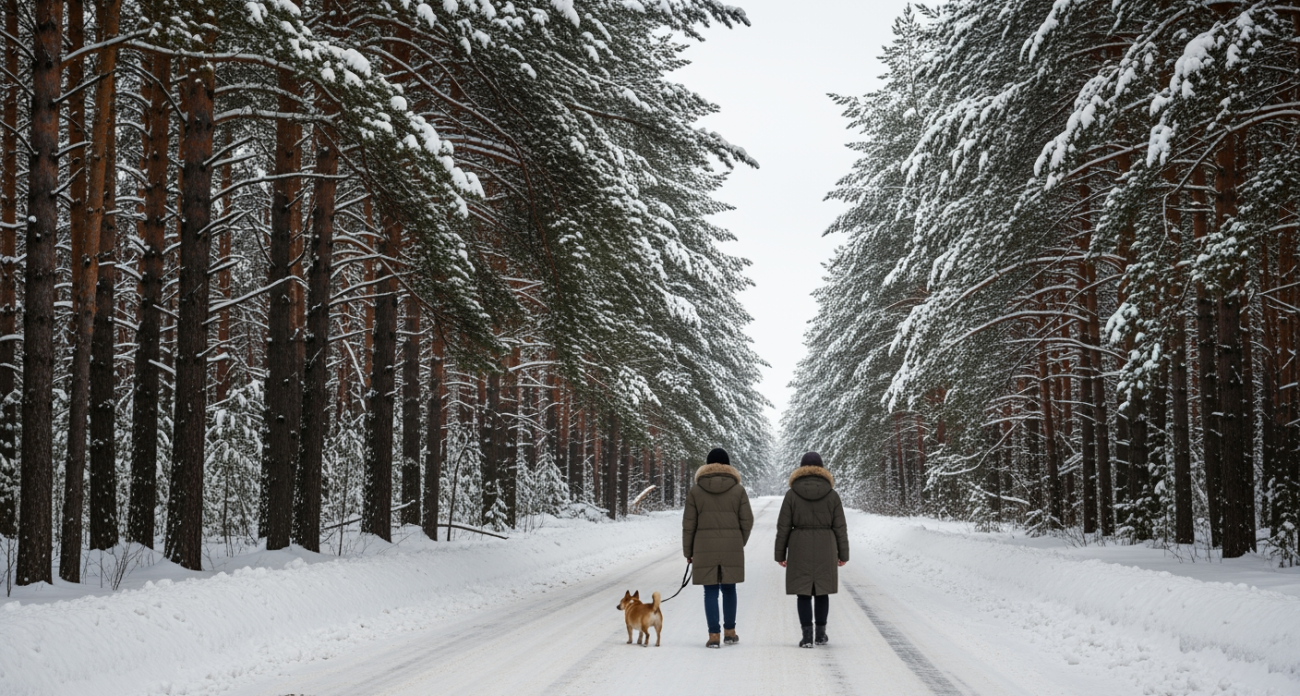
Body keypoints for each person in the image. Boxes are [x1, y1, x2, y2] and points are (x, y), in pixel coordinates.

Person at [775, 451, 849, 648]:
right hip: (826, 545)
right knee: (822, 591)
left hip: (799, 545)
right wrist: (843, 554)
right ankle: (820, 634)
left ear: (801, 470)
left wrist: (780, 554)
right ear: (822, 470)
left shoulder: (791, 494)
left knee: (803, 592)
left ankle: (807, 636)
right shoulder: (832, 495)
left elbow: (783, 526)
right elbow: (840, 527)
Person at [682, 448, 754, 648]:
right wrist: (739, 541)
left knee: (710, 590)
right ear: (728, 466)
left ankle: (714, 636)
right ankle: (730, 633)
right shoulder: (738, 490)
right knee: (730, 589)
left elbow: (689, 524)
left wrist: (689, 552)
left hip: (704, 546)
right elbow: (747, 520)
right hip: (732, 544)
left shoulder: (696, 490)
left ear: (706, 466)